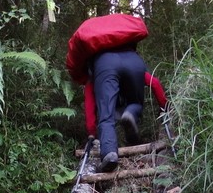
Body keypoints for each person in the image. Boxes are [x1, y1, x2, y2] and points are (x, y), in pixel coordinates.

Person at [66, 14, 168, 173]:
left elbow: (90, 103)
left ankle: (110, 154)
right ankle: (130, 114)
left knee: (106, 113)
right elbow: (154, 83)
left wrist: (92, 132)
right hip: (134, 63)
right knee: (135, 102)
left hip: (105, 65)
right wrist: (165, 107)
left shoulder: (95, 69)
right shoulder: (131, 53)